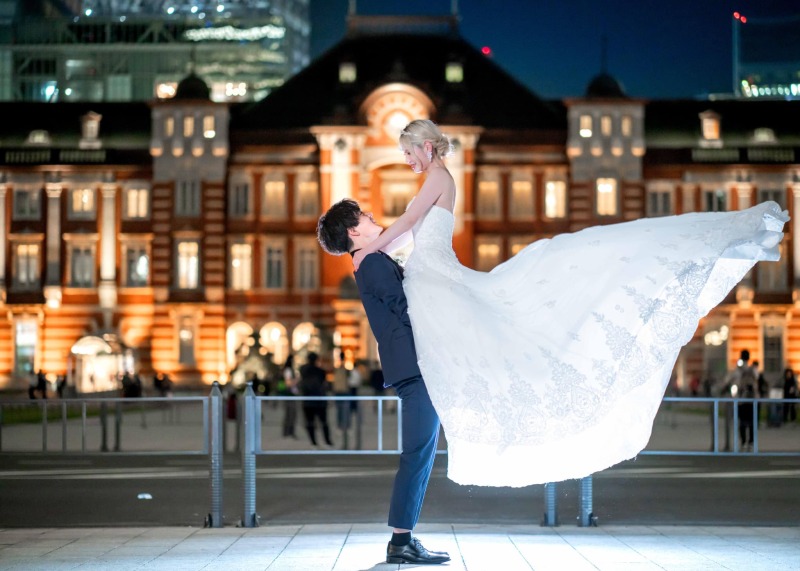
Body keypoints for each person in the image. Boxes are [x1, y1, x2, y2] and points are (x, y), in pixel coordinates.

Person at [351, 118, 788, 487]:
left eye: (409, 152)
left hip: (435, 278)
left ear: (427, 147)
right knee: (473, 347)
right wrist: (380, 251)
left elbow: (408, 222)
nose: (406, 161)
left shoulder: (438, 178)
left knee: (485, 345)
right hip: (428, 277)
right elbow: (409, 231)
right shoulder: (435, 179)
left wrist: (370, 251)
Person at [317, 200, 450, 564]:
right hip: (415, 366)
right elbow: (404, 308)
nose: (373, 218)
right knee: (416, 455)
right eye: (365, 217)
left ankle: (404, 538)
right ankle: (401, 541)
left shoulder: (369, 259)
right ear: (353, 232)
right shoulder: (373, 262)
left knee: (421, 455)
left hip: (413, 365)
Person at [298, 352, 334, 448]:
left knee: (310, 422)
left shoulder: (303, 370)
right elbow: (324, 383)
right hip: (320, 399)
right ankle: (327, 441)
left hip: (307, 400)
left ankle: (313, 442)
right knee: (324, 422)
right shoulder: (320, 371)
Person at [279, 355, 298, 439]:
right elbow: (288, 383)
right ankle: (288, 432)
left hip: (290, 394)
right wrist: (296, 380)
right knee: (290, 414)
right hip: (290, 394)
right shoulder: (288, 371)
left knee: (290, 414)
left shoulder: (288, 370)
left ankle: (288, 432)